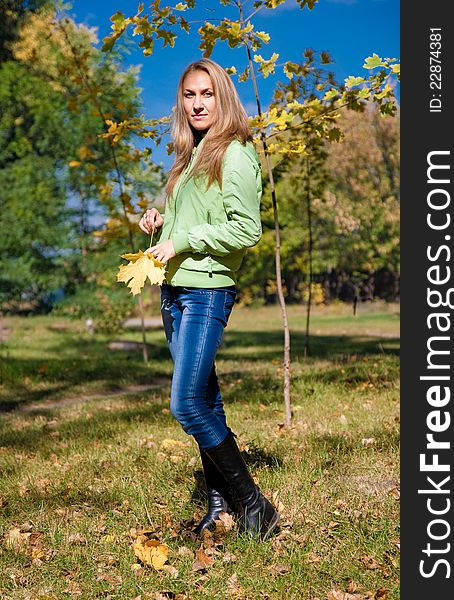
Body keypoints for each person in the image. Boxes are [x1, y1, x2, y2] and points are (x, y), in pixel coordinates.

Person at [138, 58, 279, 541]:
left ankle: (254, 503)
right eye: (189, 95)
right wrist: (161, 220)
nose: (197, 103)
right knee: (205, 400)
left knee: (185, 404)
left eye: (207, 94)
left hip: (206, 290)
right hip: (175, 291)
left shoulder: (235, 152)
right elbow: (196, 217)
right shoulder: (190, 153)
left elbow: (247, 229)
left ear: (223, 96)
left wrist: (183, 240)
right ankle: (219, 505)